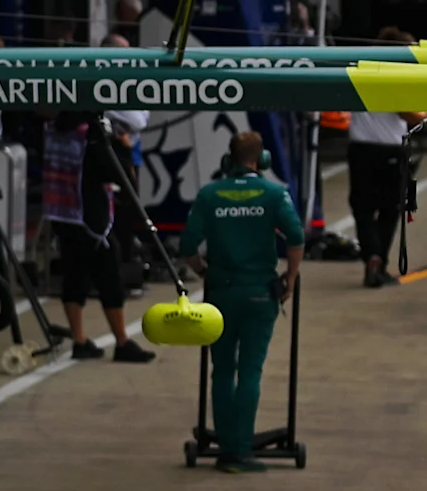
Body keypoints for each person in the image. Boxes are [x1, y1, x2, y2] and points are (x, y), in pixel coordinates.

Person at [178, 130, 304, 472]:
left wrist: (203, 271)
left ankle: (227, 445)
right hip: (260, 293)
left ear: (228, 160)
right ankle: (242, 449)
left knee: (222, 370)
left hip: (221, 292)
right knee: (250, 371)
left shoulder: (209, 195)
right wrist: (291, 277)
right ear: (262, 160)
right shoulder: (274, 193)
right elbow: (296, 237)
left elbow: (187, 245)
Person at [51, 112, 155, 360]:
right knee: (109, 278)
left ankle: (79, 339)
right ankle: (122, 341)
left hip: (63, 211)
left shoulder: (55, 130)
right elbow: (117, 175)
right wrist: (125, 149)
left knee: (74, 275)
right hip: (91, 218)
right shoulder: (91, 137)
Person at [344, 38, 417, 286]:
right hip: (391, 149)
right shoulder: (398, 78)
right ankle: (380, 260)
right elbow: (409, 113)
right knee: (390, 209)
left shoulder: (361, 74)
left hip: (360, 148)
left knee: (362, 208)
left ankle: (371, 255)